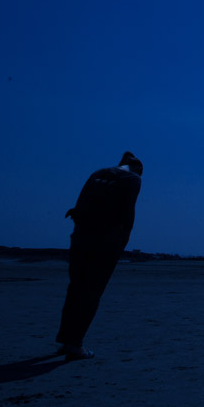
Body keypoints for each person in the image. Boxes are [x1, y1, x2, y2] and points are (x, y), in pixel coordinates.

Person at [55, 152, 143, 360]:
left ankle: (66, 339)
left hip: (80, 236)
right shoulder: (132, 179)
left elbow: (80, 202)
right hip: (105, 240)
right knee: (92, 291)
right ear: (137, 169)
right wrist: (123, 241)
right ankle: (74, 344)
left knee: (75, 288)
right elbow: (128, 212)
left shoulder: (98, 173)